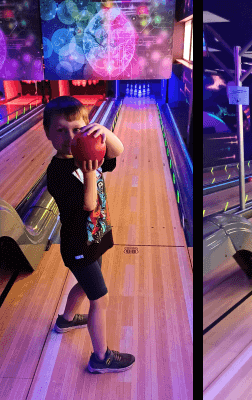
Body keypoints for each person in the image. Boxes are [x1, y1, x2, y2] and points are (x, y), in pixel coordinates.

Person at [45, 96, 135, 374]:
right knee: (100, 298)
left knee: (86, 285)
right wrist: (89, 175)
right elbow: (88, 204)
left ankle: (66, 320)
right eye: (60, 130)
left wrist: (103, 132)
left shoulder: (88, 150)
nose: (69, 136)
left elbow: (116, 150)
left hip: (94, 236)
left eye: (76, 128)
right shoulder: (57, 172)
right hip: (77, 245)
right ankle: (101, 357)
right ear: (48, 132)